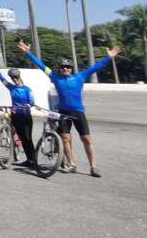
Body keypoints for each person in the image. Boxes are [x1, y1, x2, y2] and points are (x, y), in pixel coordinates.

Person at [18, 40, 119, 177]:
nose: (66, 69)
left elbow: (96, 67)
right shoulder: (55, 77)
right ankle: (71, 164)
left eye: (68, 67)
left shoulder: (80, 76)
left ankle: (93, 167)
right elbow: (41, 66)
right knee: (65, 139)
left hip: (78, 112)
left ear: (72, 69)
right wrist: (29, 53)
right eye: (63, 67)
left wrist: (108, 57)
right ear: (60, 68)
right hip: (63, 113)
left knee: (87, 139)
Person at [0, 59, 36, 167]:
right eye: (12, 78)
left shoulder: (27, 89)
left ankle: (33, 160)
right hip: (15, 115)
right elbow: (1, 79)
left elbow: (32, 102)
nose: (14, 79)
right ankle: (29, 160)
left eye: (16, 77)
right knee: (22, 138)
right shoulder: (11, 87)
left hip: (25, 116)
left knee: (28, 138)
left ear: (20, 77)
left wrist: (28, 105)